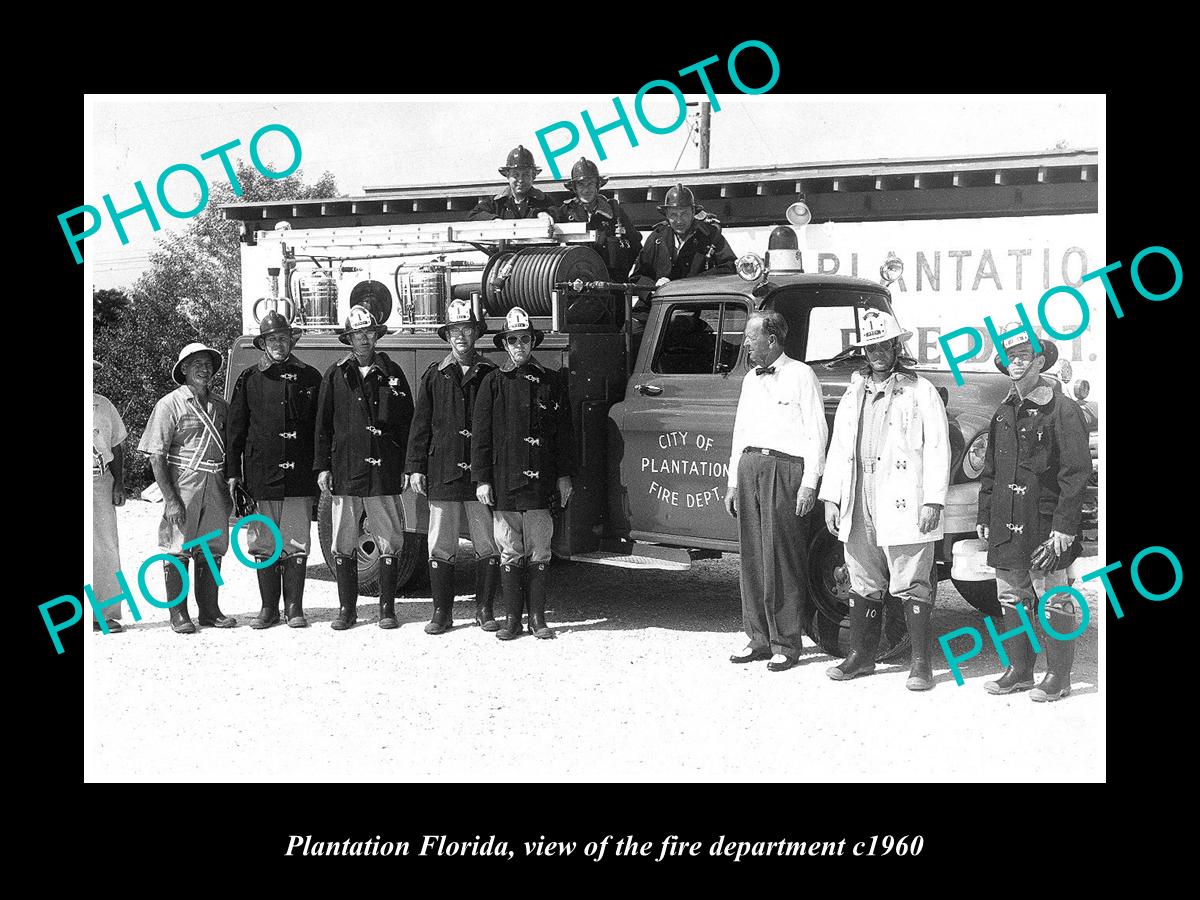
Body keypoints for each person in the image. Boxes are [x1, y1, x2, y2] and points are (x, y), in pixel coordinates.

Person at [819, 310, 950, 691]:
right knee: (862, 577)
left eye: (884, 344)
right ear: (865, 350)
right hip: (860, 493)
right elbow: (839, 446)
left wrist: (933, 500)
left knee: (912, 579)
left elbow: (938, 447)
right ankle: (861, 656)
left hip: (904, 497)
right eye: (871, 345)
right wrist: (831, 497)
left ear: (896, 346)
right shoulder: (854, 389)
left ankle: (921, 664)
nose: (877, 352)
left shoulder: (919, 390)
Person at [978, 327, 1090, 702]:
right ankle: (1019, 670)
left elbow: (1076, 473)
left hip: (1045, 525)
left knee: (1053, 596)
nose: (1017, 361)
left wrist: (1064, 527)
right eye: (1012, 356)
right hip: (1006, 523)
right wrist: (985, 515)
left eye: (1025, 354)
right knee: (1011, 596)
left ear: (1040, 361)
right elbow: (991, 472)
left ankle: (1059, 676)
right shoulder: (1002, 411)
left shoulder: (1063, 408)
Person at [725, 310, 827, 671]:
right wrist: (733, 482)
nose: (745, 344)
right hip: (750, 466)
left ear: (772, 340)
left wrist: (810, 482)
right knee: (752, 557)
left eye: (751, 337)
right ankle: (758, 638)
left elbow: (817, 432)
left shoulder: (801, 375)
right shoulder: (751, 379)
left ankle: (786, 642)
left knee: (783, 557)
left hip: (785, 470)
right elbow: (740, 430)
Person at [472, 307, 574, 640]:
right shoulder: (492, 382)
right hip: (504, 482)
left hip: (540, 485)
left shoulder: (550, 381)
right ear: (504, 344)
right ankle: (513, 620)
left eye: (525, 339)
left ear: (533, 342)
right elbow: (481, 435)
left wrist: (563, 476)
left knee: (540, 550)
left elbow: (564, 435)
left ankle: (538, 620)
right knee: (509, 550)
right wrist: (482, 479)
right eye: (512, 340)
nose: (519, 345)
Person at [314, 304, 415, 631]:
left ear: (376, 335)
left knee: (389, 538)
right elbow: (323, 426)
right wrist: (322, 467)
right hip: (346, 471)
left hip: (384, 471)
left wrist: (406, 466)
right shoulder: (335, 374)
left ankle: (387, 609)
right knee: (343, 539)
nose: (363, 339)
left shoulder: (393, 373)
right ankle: (347, 609)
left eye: (369, 332)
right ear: (349, 338)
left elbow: (407, 424)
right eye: (357, 334)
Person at [405, 299, 500, 635]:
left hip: (479, 475)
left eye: (467, 329)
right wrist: (415, 466)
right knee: (440, 544)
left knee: (486, 543)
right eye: (455, 330)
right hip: (442, 470)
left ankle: (484, 610)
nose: (461, 336)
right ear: (447, 335)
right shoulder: (435, 375)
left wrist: (490, 472)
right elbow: (421, 424)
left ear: (475, 333)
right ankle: (441, 612)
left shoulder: (490, 374)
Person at [225, 311, 322, 629]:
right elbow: (235, 430)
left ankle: (294, 608)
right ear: (263, 344)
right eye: (271, 339)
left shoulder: (310, 377)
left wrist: (321, 469)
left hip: (298, 477)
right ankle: (268, 609)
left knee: (295, 542)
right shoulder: (249, 379)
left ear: (291, 340)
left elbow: (321, 430)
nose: (278, 344)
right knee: (264, 541)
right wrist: (233, 473)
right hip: (260, 476)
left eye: (283, 337)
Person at [138, 342, 236, 633]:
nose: (204, 370)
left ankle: (209, 611)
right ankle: (178, 614)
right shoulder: (169, 404)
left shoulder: (221, 406)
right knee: (177, 546)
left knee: (213, 547)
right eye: (197, 365)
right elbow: (156, 454)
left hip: (215, 482)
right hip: (184, 482)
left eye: (208, 365)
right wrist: (170, 499)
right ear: (184, 369)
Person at [554, 156, 642, 281]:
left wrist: (621, 274)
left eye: (590, 184)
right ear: (574, 188)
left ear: (597, 185)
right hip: (578, 285)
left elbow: (636, 245)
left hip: (612, 287)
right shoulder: (565, 211)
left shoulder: (615, 212)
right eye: (581, 185)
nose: (586, 190)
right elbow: (548, 222)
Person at [92, 362, 128, 634]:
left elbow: (116, 443)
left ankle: (105, 614)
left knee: (105, 548)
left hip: (99, 480)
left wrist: (119, 483)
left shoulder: (103, 405)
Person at [468, 145, 557, 222]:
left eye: (525, 175)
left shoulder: (544, 200)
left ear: (533, 176)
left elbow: (558, 214)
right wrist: (494, 220)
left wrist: (543, 214)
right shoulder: (496, 202)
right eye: (515, 175)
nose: (520, 180)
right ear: (507, 176)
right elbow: (472, 216)